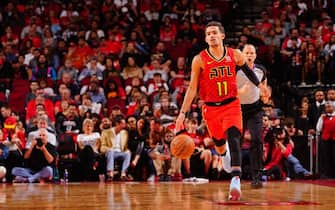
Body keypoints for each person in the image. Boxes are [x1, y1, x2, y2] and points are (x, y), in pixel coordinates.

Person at [175, 21, 265, 200]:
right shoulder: (199, 59)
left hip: (231, 105)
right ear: (206, 38)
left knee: (234, 137)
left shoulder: (235, 54)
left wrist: (260, 86)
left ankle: (235, 180)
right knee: (220, 144)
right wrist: (182, 114)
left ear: (222, 36)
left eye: (214, 32)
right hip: (210, 109)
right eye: (208, 34)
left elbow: (248, 72)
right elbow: (192, 89)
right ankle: (224, 155)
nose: (211, 36)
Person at [236, 44, 270, 188]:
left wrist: (265, 96)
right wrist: (240, 92)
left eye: (252, 53)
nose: (249, 55)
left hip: (255, 109)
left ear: (255, 55)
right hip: (238, 109)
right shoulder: (235, 69)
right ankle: (236, 175)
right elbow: (229, 92)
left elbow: (264, 91)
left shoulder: (261, 70)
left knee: (257, 140)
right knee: (237, 141)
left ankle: (256, 176)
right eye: (247, 53)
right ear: (242, 55)